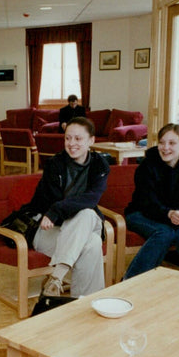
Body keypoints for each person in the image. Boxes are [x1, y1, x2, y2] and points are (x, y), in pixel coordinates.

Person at [27, 117, 110, 297]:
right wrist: (56, 210)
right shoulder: (54, 165)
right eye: (67, 138)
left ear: (91, 140)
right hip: (49, 231)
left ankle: (56, 277)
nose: (71, 143)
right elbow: (48, 202)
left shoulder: (100, 165)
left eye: (78, 139)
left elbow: (91, 198)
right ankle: (85, 302)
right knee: (93, 243)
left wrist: (57, 210)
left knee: (87, 213)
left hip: (82, 225)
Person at [122, 123, 179, 279]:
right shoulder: (147, 165)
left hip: (168, 217)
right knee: (164, 233)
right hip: (139, 214)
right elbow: (146, 202)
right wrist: (169, 213)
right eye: (162, 142)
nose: (165, 148)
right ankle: (130, 282)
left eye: (172, 143)